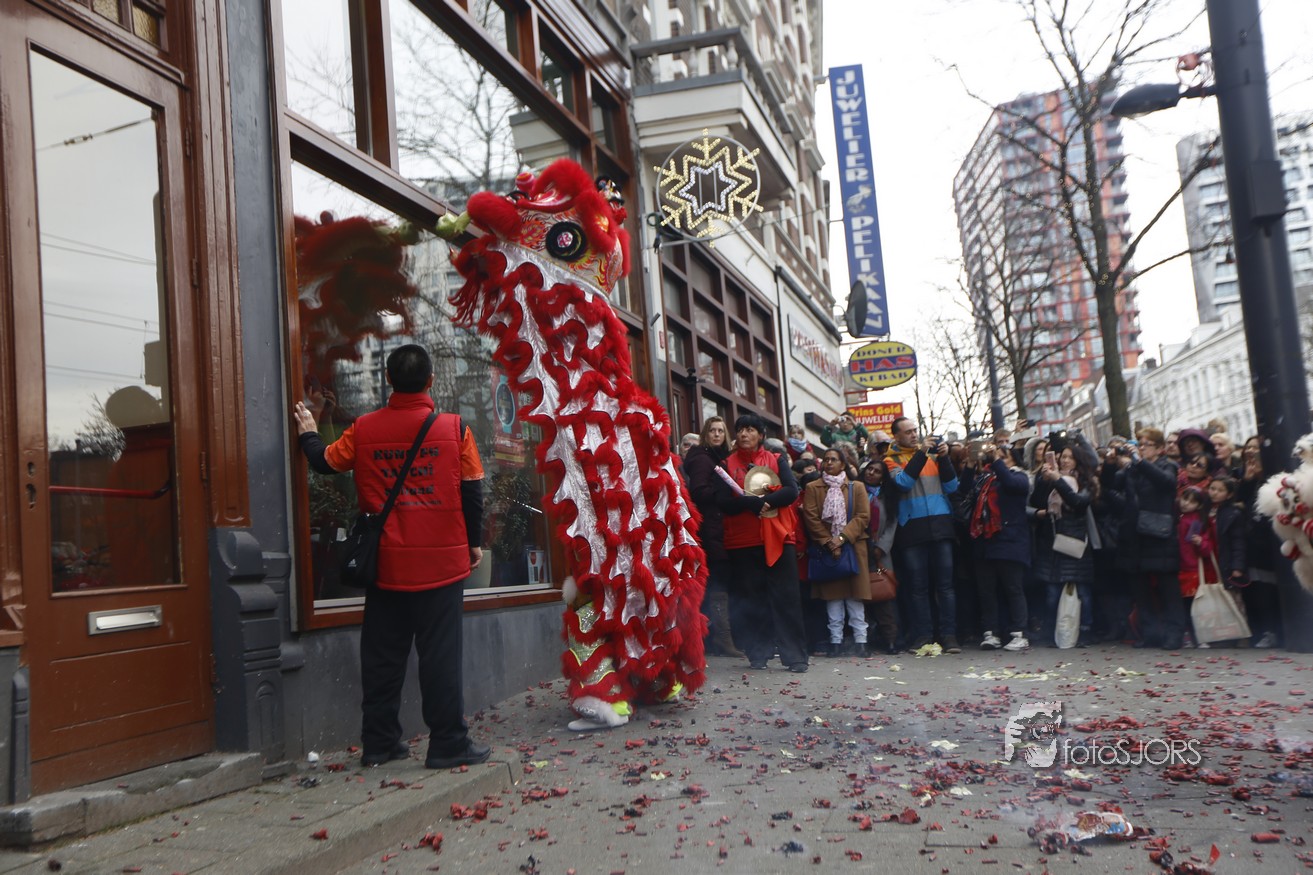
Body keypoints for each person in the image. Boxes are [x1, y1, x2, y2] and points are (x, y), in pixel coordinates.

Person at [293, 344, 490, 769]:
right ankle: (448, 743)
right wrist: (473, 543)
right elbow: (472, 491)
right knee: (440, 658)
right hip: (440, 566)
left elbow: (324, 463)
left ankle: (379, 743)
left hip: (385, 565)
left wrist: (308, 430)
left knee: (382, 657)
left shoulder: (363, 429)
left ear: (387, 379)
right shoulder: (455, 429)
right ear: (431, 381)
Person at [715, 414, 808, 672]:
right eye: (740, 430)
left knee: (786, 598)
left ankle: (795, 656)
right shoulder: (726, 464)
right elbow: (722, 501)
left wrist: (765, 502)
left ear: (761, 435)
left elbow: (791, 490)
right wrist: (749, 503)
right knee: (751, 598)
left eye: (750, 429)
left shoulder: (776, 459)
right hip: (742, 541)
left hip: (778, 536)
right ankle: (758, 653)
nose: (744, 434)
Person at [884, 417, 961, 653]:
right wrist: (921, 454)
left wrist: (945, 458)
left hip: (940, 526)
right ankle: (924, 635)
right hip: (912, 529)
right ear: (896, 436)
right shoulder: (891, 460)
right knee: (918, 587)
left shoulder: (935, 456)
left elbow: (952, 487)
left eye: (915, 430)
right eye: (907, 432)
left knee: (945, 586)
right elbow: (903, 483)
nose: (913, 434)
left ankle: (949, 636)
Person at [1112, 428, 1184, 650]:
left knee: (1168, 589)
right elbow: (1113, 485)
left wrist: (1139, 462)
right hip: (1135, 534)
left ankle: (1174, 634)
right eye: (1140, 444)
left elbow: (1167, 483)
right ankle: (1150, 633)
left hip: (1159, 533)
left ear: (1160, 448)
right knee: (1140, 589)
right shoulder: (1133, 468)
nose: (1142, 448)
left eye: (1147, 444)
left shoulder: (1167, 465)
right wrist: (1112, 463)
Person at [682, 416, 744, 659]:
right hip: (711, 529)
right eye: (713, 430)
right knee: (717, 583)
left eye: (721, 430)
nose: (717, 434)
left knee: (721, 583)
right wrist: (725, 493)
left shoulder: (719, 457)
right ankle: (720, 638)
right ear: (706, 434)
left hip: (723, 528)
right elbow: (699, 492)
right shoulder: (702, 459)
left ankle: (720, 637)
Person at [802, 449, 872, 656]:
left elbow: (863, 516)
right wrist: (829, 542)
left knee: (855, 598)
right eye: (826, 459)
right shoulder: (813, 487)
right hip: (826, 551)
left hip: (853, 547)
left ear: (843, 464)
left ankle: (861, 641)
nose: (829, 462)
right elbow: (811, 518)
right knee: (833, 599)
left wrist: (841, 539)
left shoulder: (856, 487)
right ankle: (835, 642)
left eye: (834, 459)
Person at [1032, 446, 1097, 647]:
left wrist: (1058, 480)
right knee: (1052, 593)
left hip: (1075, 541)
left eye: (1070, 457)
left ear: (1078, 460)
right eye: (1063, 457)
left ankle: (1085, 631)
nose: (1065, 460)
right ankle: (1051, 632)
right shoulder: (1052, 479)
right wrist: (1044, 481)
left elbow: (1078, 502)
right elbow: (1037, 502)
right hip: (1053, 542)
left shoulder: (1086, 482)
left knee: (1082, 592)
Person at [971, 441, 1033, 652]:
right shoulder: (985, 479)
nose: (996, 460)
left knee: (1013, 588)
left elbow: (1011, 484)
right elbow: (966, 493)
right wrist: (970, 464)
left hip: (1010, 540)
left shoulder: (1020, 476)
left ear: (1014, 459)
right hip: (986, 541)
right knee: (987, 590)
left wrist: (997, 461)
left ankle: (1019, 633)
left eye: (1003, 457)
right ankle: (991, 632)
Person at [859, 459, 899, 653]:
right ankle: (864, 640)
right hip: (858, 551)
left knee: (883, 596)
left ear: (883, 477)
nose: (871, 473)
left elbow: (891, 526)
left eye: (876, 471)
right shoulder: (855, 492)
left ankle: (890, 640)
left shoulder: (887, 497)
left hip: (880, 553)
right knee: (860, 597)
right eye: (869, 469)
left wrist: (881, 547)